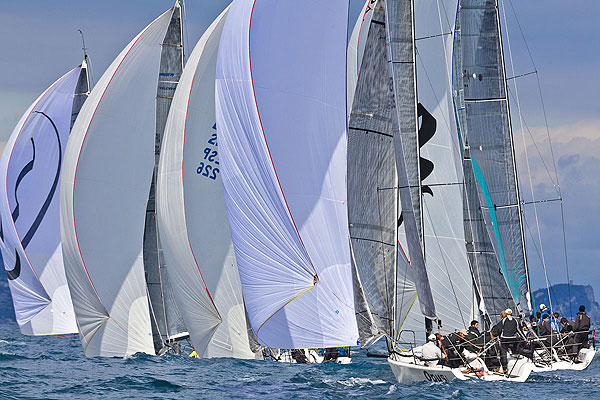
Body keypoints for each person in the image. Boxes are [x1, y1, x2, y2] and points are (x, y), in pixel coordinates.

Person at [496, 308, 521, 374]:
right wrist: (525, 339)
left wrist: (498, 337)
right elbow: (518, 330)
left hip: (504, 338)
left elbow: (499, 329)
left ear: (506, 314)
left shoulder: (504, 320)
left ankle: (504, 369)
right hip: (513, 338)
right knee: (515, 343)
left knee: (503, 353)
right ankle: (516, 354)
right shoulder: (515, 320)